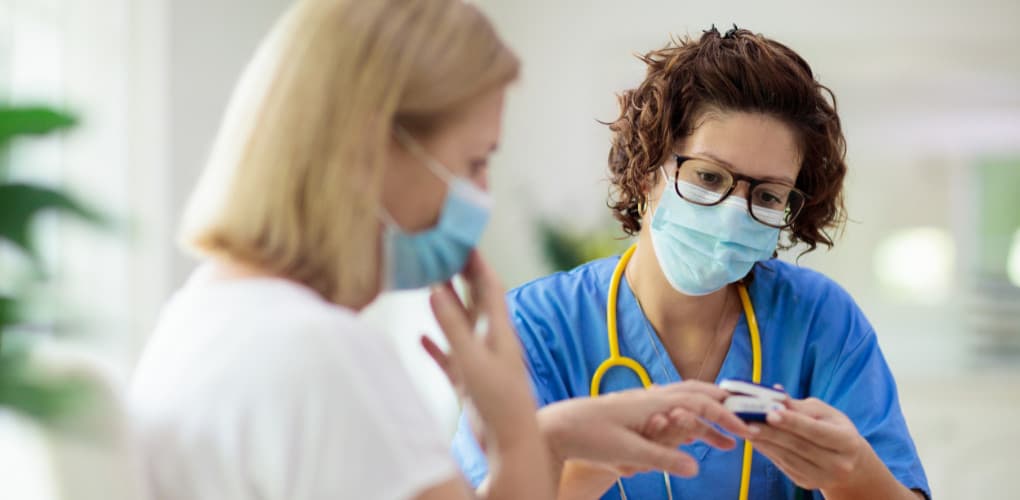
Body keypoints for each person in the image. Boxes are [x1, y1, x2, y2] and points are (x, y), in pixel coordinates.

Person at [127, 2, 755, 500]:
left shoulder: (204, 314)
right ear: (370, 146)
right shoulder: (324, 354)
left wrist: (548, 438)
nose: (479, 196)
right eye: (474, 161)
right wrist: (511, 428)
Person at [451, 26, 931, 500]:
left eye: (766, 194)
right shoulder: (536, 329)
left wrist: (854, 474)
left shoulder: (819, 322)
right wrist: (601, 458)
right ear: (646, 172)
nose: (733, 210)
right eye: (707, 176)